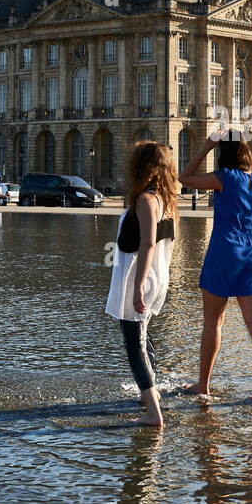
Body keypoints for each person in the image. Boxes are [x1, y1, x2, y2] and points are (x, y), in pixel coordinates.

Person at [178, 132, 252, 402]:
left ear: (225, 153)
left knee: (213, 321)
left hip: (224, 251)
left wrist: (205, 147)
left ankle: (203, 386)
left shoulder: (224, 178)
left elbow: (183, 178)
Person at [105, 141, 179, 427]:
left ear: (142, 167)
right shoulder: (165, 199)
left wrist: (137, 287)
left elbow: (147, 244)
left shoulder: (146, 200)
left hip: (140, 278)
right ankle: (151, 395)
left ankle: (152, 413)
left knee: (134, 344)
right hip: (153, 276)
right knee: (143, 337)